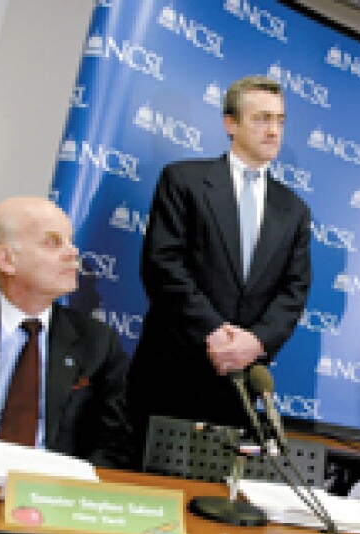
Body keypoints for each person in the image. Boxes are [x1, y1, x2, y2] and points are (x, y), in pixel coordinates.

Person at [126, 76, 312, 468]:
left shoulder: (294, 210)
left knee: (218, 496)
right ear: (231, 123)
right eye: (262, 118)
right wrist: (214, 332)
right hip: (172, 373)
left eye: (280, 120)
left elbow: (294, 292)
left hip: (238, 388)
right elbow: (163, 264)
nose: (274, 130)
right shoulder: (184, 181)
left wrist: (254, 342)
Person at [0, 195, 131, 468]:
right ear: (6, 259)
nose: (73, 253)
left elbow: (114, 443)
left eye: (70, 241)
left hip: (54, 485)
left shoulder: (97, 341)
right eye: (53, 242)